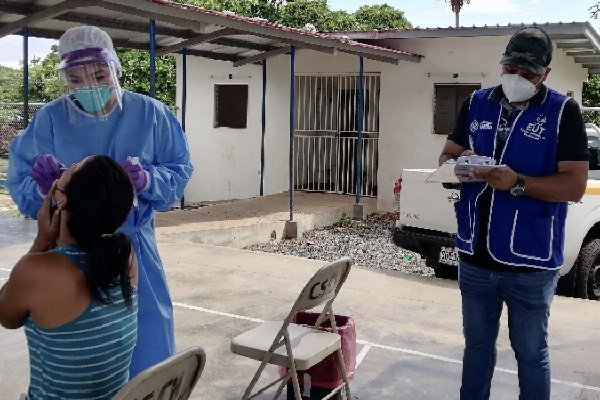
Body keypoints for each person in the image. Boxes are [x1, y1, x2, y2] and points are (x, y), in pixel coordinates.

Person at [7, 25, 193, 378]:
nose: (89, 85)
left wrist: (150, 179)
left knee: (146, 342)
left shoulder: (150, 114)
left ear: (115, 69)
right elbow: (21, 183)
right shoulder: (51, 118)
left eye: (99, 74)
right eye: (75, 79)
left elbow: (179, 168)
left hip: (132, 245)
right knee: (77, 350)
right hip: (70, 248)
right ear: (65, 79)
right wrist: (43, 189)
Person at [438, 27, 588, 400]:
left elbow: (574, 186)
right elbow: (447, 156)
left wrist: (518, 183)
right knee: (476, 348)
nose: (517, 78)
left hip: (530, 263)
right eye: (510, 68)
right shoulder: (477, 102)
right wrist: (459, 168)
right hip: (475, 257)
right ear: (502, 63)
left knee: (530, 352)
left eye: (528, 74)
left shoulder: (562, 111)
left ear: (546, 74)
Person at [0, 155, 138, 399]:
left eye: (70, 169)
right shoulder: (124, 256)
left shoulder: (35, 270)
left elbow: (6, 316)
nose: (64, 168)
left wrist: (41, 242)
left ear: (61, 200)